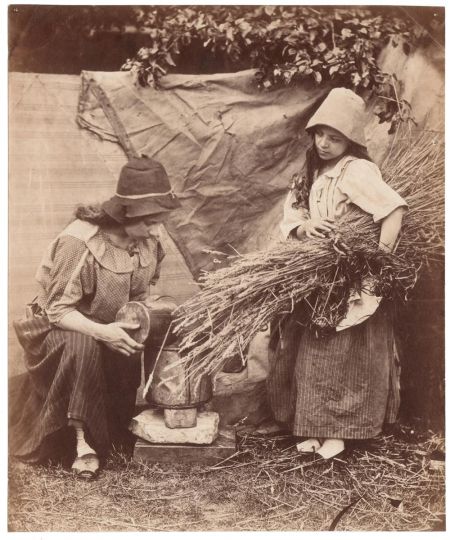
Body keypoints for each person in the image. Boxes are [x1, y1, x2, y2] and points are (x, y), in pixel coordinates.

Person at [9, 156, 181, 479]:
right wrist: (104, 333)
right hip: (57, 331)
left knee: (128, 339)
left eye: (161, 220)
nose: (157, 229)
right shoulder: (81, 241)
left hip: (105, 329)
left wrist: (141, 317)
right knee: (83, 343)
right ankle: (80, 441)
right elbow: (57, 310)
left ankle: (109, 429)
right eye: (150, 221)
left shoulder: (149, 241)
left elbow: (139, 295)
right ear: (127, 213)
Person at [266, 88, 408, 461]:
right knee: (310, 351)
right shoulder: (311, 172)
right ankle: (310, 426)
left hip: (350, 274)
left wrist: (380, 258)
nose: (325, 143)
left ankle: (340, 431)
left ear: (351, 141)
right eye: (320, 134)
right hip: (317, 273)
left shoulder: (356, 170)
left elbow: (393, 209)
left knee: (343, 355)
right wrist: (305, 228)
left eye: (335, 137)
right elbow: (291, 216)